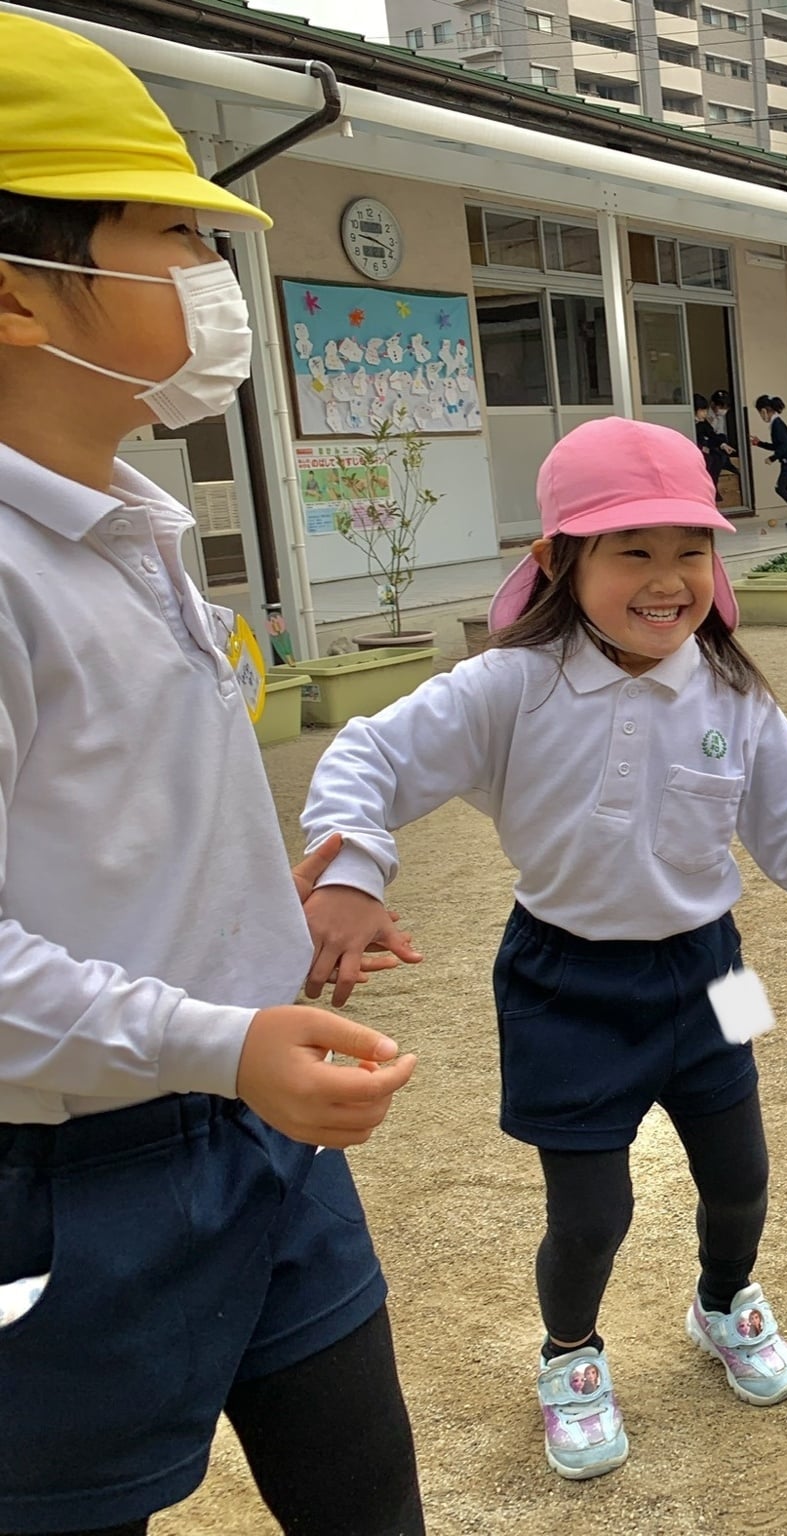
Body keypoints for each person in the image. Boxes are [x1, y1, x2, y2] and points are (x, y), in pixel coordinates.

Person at [299, 418, 787, 1482]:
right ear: (560, 561)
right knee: (592, 1210)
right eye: (630, 552)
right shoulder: (510, 684)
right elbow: (368, 756)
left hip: (712, 973)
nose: (666, 580)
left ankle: (722, 1301)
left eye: (689, 549)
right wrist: (350, 870)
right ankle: (570, 1354)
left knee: (741, 1174)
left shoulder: (733, 694)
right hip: (564, 981)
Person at [0, 16, 425, 1532]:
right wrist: (215, 1034)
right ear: (12, 291)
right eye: (173, 232)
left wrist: (277, 925)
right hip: (61, 1176)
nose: (211, 273)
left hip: (261, 1140)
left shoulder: (127, 510)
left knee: (367, 1502)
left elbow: (123, 819)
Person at [749, 394, 787, 528]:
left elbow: (785, 445)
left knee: (780, 487)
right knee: (784, 487)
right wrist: (759, 443)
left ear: (764, 411)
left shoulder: (777, 424)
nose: (761, 417)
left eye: (760, 413)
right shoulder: (776, 423)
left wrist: (773, 458)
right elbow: (778, 445)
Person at [694, 392, 737, 502]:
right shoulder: (691, 423)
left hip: (709, 446)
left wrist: (723, 445)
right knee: (709, 460)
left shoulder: (703, 423)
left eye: (705, 410)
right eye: (702, 411)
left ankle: (713, 487)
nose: (705, 413)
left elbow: (712, 434)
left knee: (717, 457)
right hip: (698, 449)